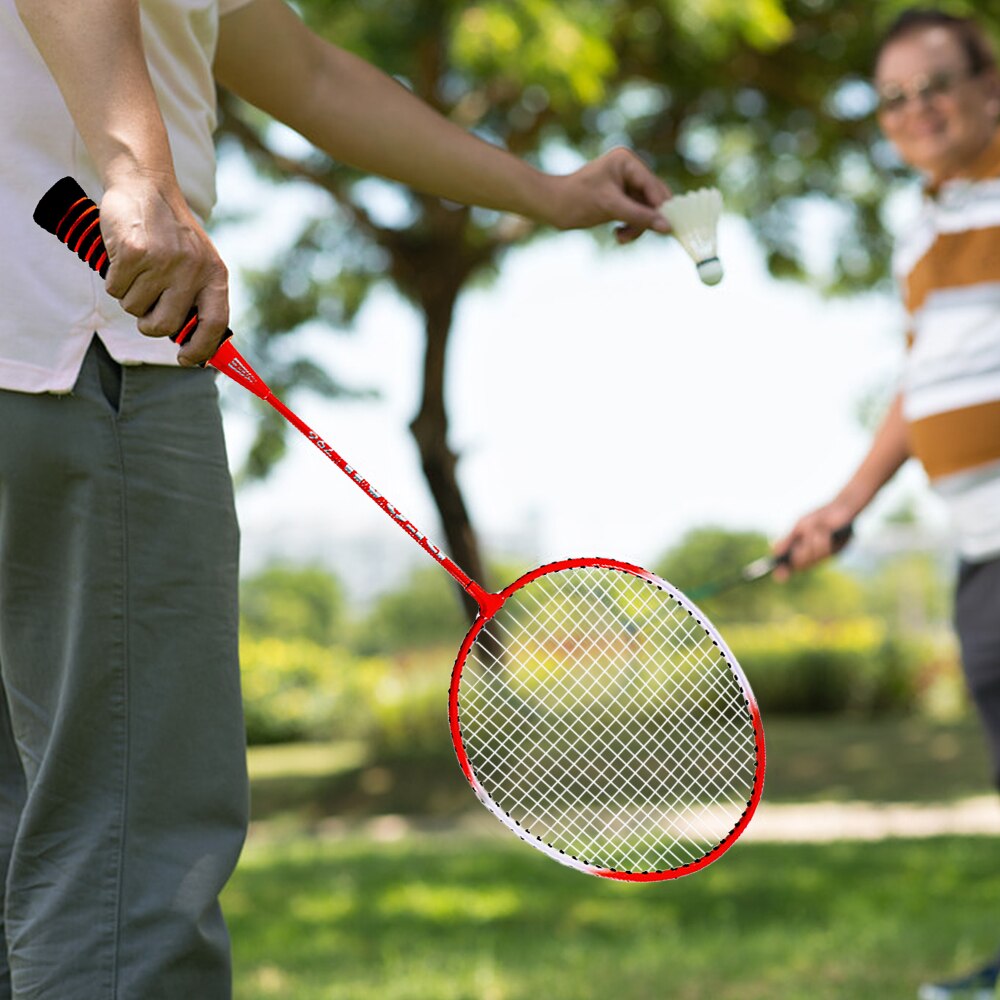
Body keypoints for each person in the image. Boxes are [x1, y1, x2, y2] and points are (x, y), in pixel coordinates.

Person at [1, 1, 672, 997]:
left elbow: (306, 72)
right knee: (123, 871)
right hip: (73, 349)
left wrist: (542, 190)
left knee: (32, 845)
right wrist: (138, 171)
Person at [773, 8, 1000, 999]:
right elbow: (925, 383)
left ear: (990, 86)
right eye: (895, 99)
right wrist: (845, 503)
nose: (919, 111)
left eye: (938, 85)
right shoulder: (923, 222)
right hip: (977, 542)